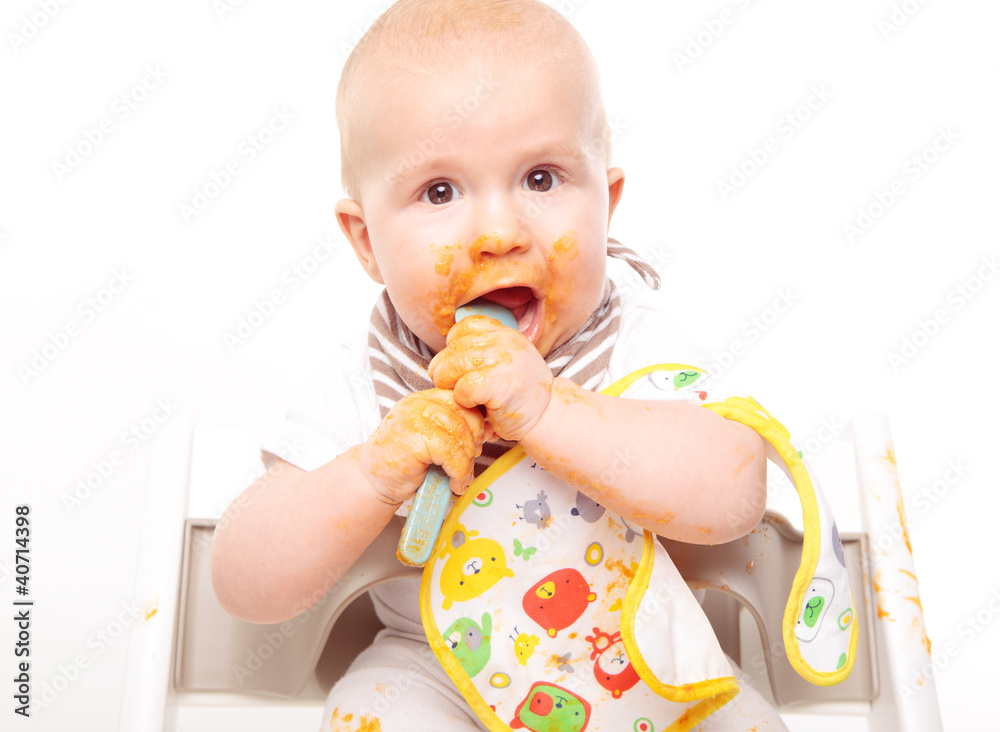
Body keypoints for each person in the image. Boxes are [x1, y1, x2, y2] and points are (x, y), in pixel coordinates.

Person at [211, 1, 787, 729]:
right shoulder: (372, 380)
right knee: (373, 712)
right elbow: (244, 584)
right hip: (435, 666)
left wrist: (548, 409)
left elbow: (735, 496)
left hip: (643, 654)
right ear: (365, 242)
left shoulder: (633, 346)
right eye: (439, 192)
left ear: (605, 204)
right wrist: (368, 473)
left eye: (541, 179)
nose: (498, 232)